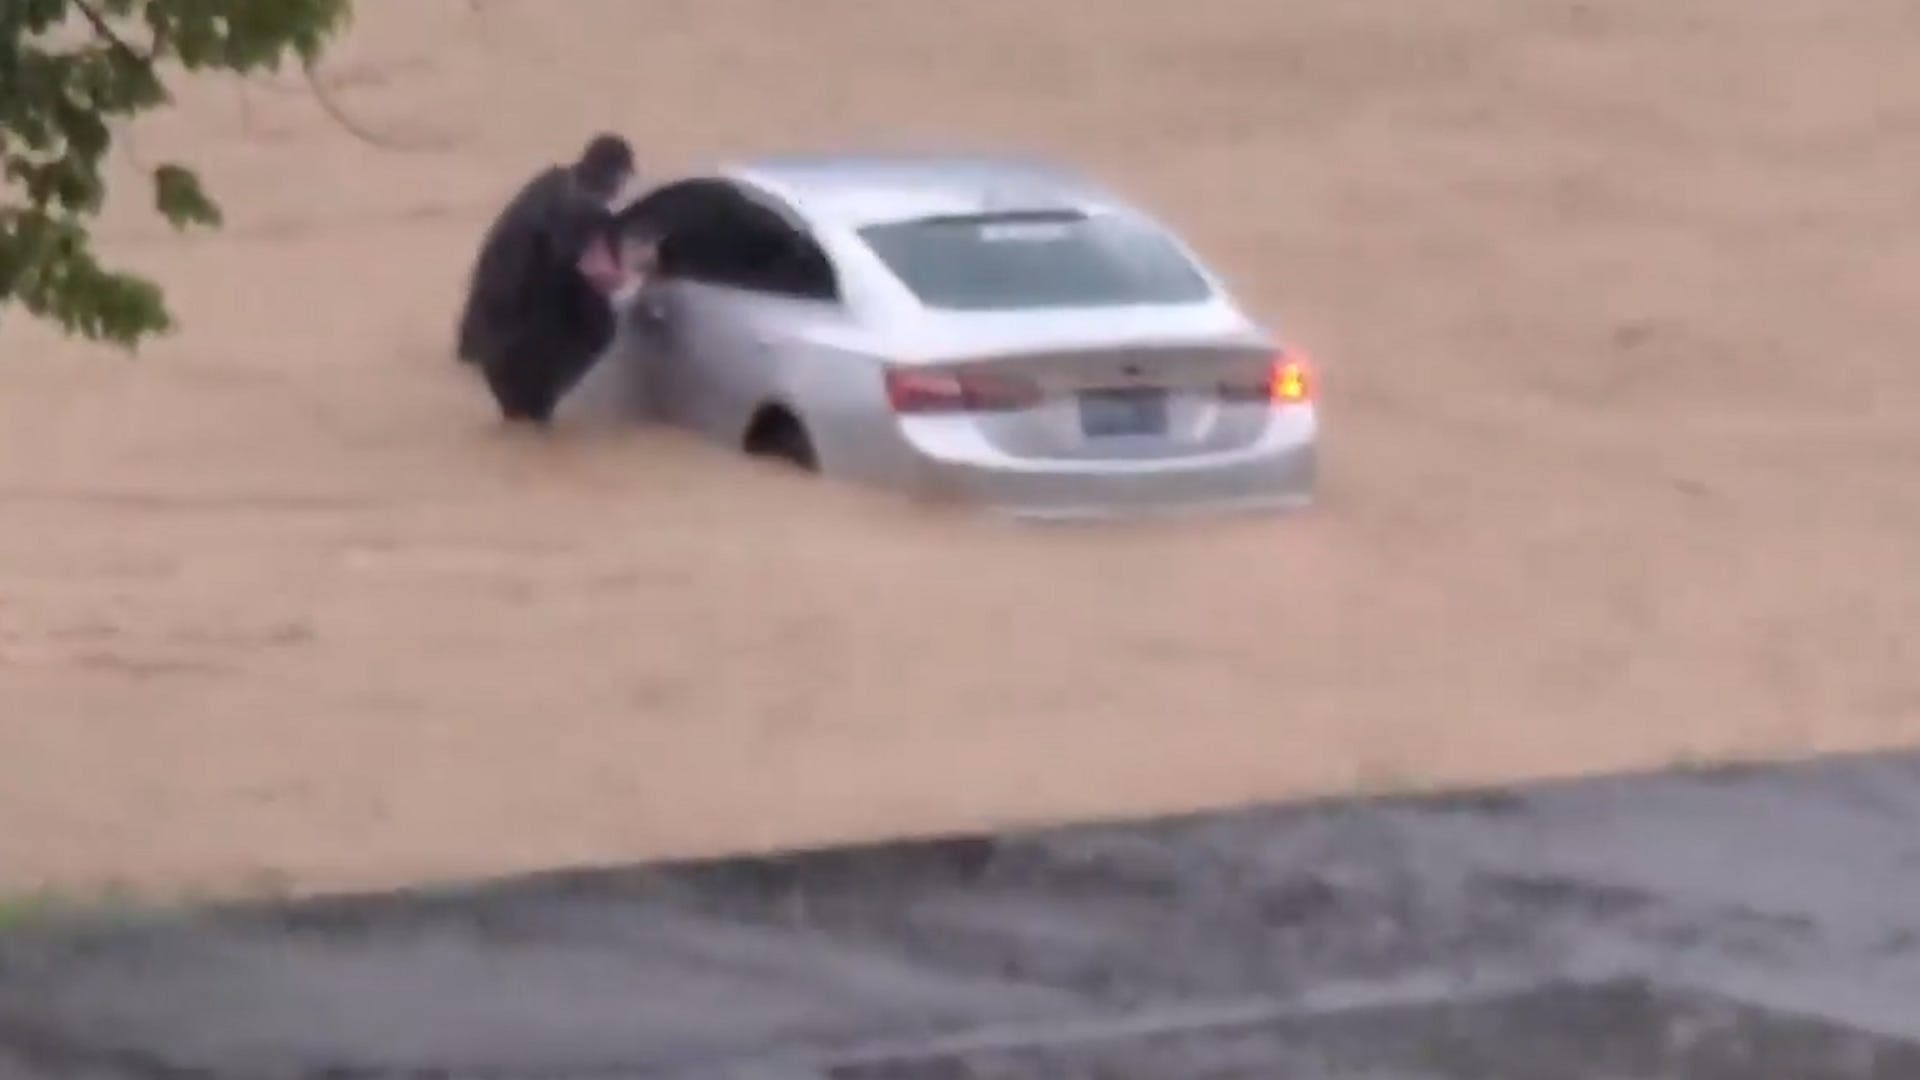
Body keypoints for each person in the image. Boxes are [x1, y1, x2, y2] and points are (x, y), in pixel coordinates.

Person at [455, 133, 649, 425]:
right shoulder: (584, 211)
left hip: (485, 322)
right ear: (614, 176)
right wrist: (643, 271)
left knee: (517, 428)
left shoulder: (549, 182)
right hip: (522, 344)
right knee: (600, 327)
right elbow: (600, 277)